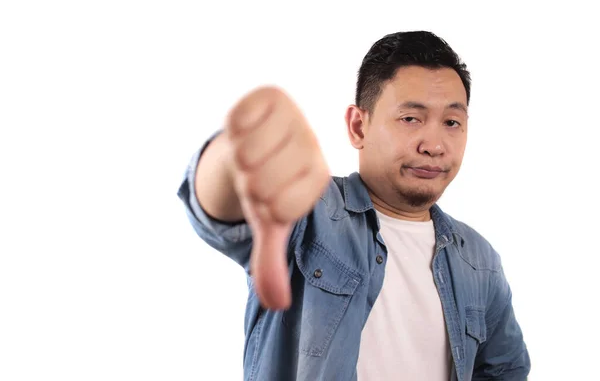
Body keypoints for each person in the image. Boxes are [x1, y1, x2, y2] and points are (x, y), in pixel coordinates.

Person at [177, 31, 530, 381]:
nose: (435, 145)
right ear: (359, 126)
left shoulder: (480, 262)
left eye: (452, 122)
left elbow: (505, 371)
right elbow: (222, 208)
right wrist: (236, 153)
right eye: (411, 118)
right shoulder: (310, 214)